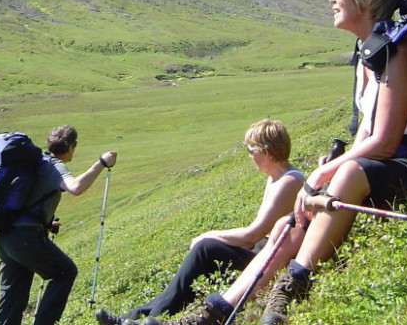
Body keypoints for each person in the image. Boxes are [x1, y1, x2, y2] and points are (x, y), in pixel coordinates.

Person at [135, 0, 407, 325]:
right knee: (291, 219)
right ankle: (218, 309)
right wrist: (326, 176)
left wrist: (323, 175)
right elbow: (364, 136)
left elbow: (383, 142)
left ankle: (291, 286)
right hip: (382, 166)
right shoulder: (370, 54)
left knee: (341, 177)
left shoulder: (401, 53)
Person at [95, 120, 304, 325]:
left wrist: (208, 235)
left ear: (266, 152)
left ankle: (146, 318)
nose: (249, 156)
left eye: (251, 150)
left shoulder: (289, 181)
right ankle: (135, 316)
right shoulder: (277, 177)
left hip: (267, 260)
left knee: (206, 248)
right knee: (204, 254)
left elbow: (253, 235)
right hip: (262, 251)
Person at [0, 125, 118, 325]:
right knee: (64, 272)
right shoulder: (53, 165)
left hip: (5, 237)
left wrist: (46, 223)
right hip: (25, 239)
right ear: (70, 146)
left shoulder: (34, 163)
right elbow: (75, 188)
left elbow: (26, 200)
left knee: (11, 299)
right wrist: (101, 163)